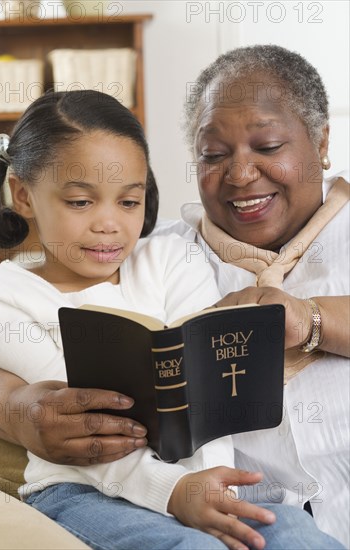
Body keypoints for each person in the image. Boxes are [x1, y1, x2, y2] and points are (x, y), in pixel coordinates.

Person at [0, 88, 343, 550]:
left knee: (298, 533)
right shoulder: (4, 296)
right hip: (82, 491)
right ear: (23, 195)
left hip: (197, 485)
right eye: (80, 202)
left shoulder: (172, 258)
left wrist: (216, 489)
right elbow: (85, 427)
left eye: (128, 202)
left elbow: (210, 394)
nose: (108, 224)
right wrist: (172, 493)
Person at [154, 43, 350, 547]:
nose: (239, 175)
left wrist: (310, 320)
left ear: (322, 141)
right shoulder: (157, 259)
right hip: (248, 532)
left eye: (266, 147)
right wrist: (24, 411)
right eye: (213, 155)